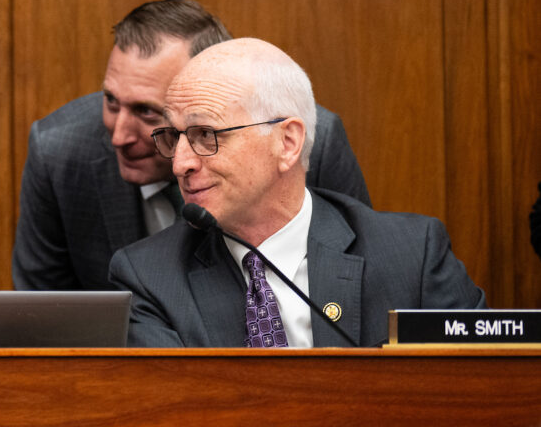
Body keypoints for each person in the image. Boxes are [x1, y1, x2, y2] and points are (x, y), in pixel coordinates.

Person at [109, 38, 484, 347]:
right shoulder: (149, 278)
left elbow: (481, 396)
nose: (180, 164)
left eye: (206, 135)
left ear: (287, 142)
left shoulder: (411, 257)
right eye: (174, 138)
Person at [12, 0, 369, 292]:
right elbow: (41, 320)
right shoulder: (60, 153)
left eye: (148, 113)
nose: (119, 135)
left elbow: (359, 283)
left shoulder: (300, 143)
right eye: (111, 101)